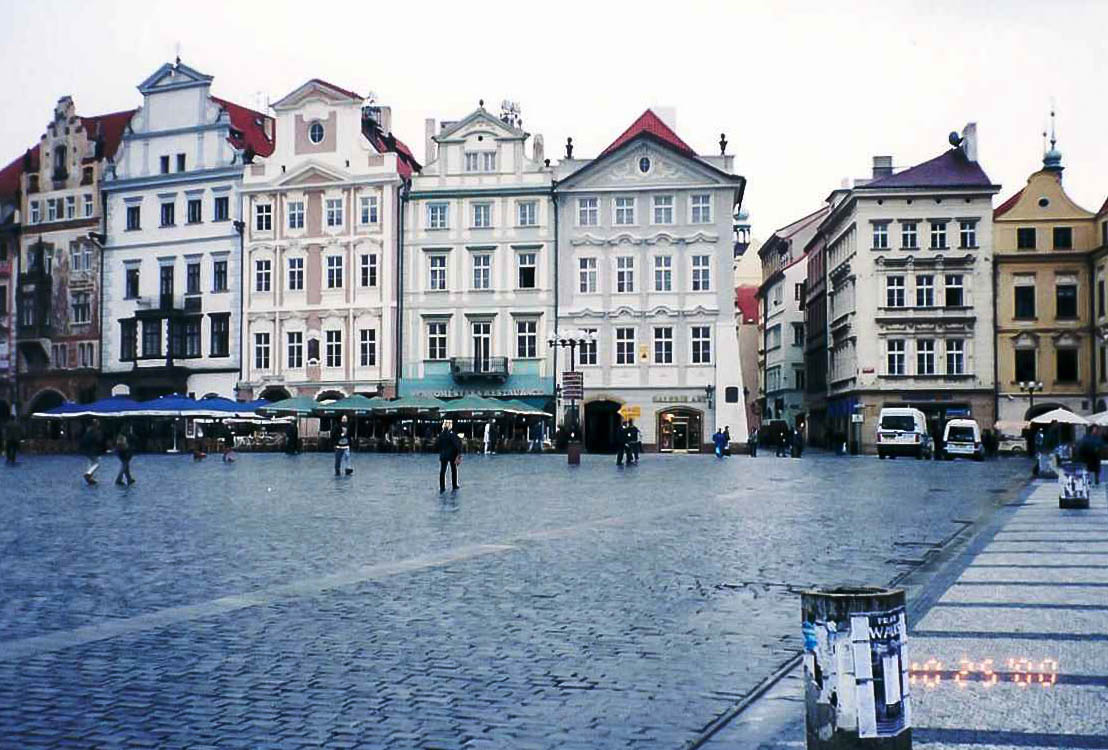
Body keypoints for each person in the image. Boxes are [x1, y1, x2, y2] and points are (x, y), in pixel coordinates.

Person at [435, 420, 462, 492]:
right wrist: (458, 454)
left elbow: (437, 444)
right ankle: (454, 485)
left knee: (442, 471)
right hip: (452, 454)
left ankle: (442, 486)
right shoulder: (452, 434)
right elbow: (457, 445)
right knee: (453, 470)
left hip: (443, 454)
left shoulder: (441, 434)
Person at [80, 419, 105, 485]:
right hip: (94, 450)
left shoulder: (87, 432)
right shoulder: (96, 432)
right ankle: (88, 473)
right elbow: (99, 441)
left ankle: (90, 478)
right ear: (96, 424)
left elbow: (83, 440)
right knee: (97, 464)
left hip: (87, 450)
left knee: (90, 463)